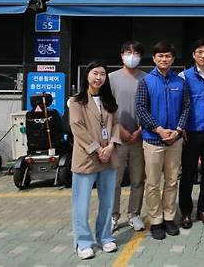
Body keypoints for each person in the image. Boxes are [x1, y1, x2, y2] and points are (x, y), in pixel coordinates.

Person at [136, 40, 190, 240]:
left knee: (171, 181)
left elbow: (186, 107)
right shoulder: (146, 82)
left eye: (168, 56)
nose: (164, 59)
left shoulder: (180, 82)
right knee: (152, 183)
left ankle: (169, 217)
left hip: (174, 141)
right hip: (152, 140)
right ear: (154, 58)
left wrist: (177, 130)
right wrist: (159, 130)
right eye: (160, 56)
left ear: (173, 59)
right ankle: (156, 220)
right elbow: (141, 109)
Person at [69, 60, 121, 260]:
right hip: (87, 158)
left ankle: (105, 237)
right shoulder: (76, 101)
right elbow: (77, 128)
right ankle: (83, 242)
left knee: (107, 201)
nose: (99, 78)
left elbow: (116, 124)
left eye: (102, 74)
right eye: (95, 73)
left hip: (108, 157)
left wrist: (111, 146)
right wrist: (98, 149)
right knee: (81, 204)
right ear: (87, 76)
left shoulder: (109, 100)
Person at [178, 38, 204, 228]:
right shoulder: (183, 76)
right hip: (190, 132)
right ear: (194, 55)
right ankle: (186, 212)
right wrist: (181, 128)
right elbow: (178, 105)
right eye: (199, 52)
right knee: (187, 173)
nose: (203, 56)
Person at [109, 41, 146, 233]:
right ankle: (113, 216)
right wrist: (120, 129)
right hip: (117, 138)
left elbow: (150, 107)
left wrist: (141, 130)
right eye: (128, 52)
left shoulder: (146, 78)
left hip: (140, 137)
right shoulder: (110, 78)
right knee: (114, 180)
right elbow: (107, 110)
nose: (132, 55)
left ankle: (134, 214)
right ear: (122, 54)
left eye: (136, 52)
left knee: (138, 179)